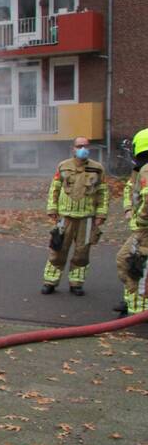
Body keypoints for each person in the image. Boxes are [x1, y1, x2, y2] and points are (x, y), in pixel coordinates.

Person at [41, 136, 108, 296]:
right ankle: (50, 281)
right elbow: (54, 188)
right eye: (79, 146)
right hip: (65, 217)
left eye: (85, 146)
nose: (82, 149)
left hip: (86, 218)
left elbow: (103, 192)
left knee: (82, 252)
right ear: (73, 148)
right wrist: (52, 208)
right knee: (58, 250)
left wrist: (101, 213)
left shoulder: (97, 168)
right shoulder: (63, 166)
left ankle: (76, 283)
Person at [116, 128, 148, 315]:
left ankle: (138, 311)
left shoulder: (146, 170)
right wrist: (129, 209)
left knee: (129, 261)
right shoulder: (140, 170)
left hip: (144, 230)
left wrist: (141, 219)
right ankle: (132, 301)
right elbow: (131, 190)